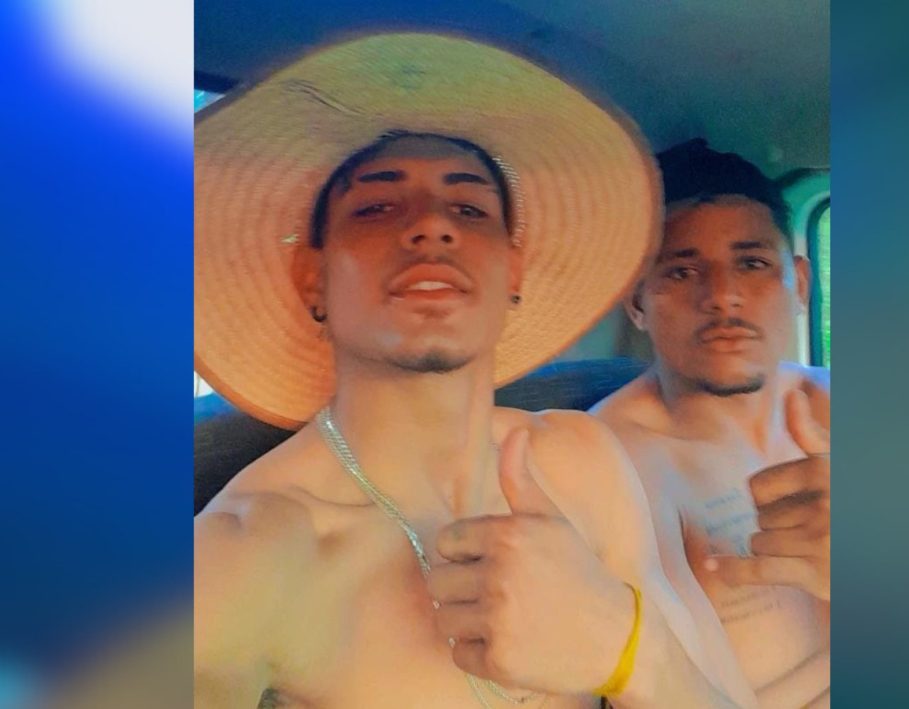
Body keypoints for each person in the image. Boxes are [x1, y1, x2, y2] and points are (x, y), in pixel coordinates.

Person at [194, 34, 755, 708]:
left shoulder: (581, 459)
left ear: (512, 271)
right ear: (313, 277)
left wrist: (629, 651)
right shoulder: (244, 552)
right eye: (376, 207)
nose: (432, 226)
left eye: (469, 209)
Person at [592, 139, 830, 708]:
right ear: (636, 302)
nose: (723, 296)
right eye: (681, 271)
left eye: (752, 264)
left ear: (800, 284)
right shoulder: (608, 464)